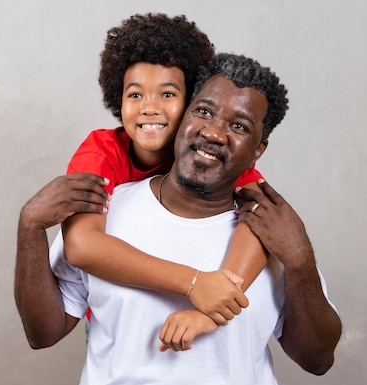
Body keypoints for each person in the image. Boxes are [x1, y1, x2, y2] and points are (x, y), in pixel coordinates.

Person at [14, 53, 342, 385]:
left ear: (257, 151)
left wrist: (300, 260)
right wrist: (30, 228)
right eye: (203, 111)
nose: (213, 132)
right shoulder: (104, 212)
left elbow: (317, 358)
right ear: (183, 117)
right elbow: (43, 334)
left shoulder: (270, 232)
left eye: (240, 127)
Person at [60, 13, 271, 330]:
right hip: (119, 317)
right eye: (135, 94)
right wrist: (194, 283)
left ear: (192, 102)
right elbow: (81, 245)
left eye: (168, 94)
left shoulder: (210, 155)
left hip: (195, 318)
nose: (149, 107)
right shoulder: (101, 152)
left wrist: (215, 306)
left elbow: (262, 219)